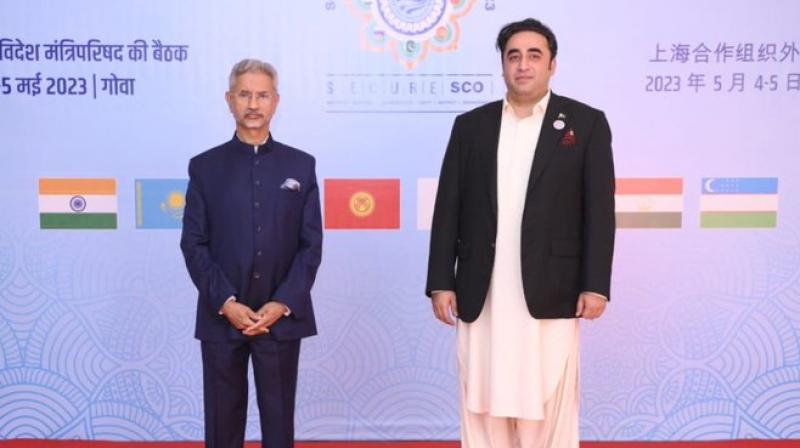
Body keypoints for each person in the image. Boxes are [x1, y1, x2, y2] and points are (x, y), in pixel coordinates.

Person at [425, 18, 615, 447]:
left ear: (552, 65)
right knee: (483, 395)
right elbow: (448, 208)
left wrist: (595, 285)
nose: (523, 65)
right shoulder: (471, 126)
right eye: (514, 56)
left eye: (534, 55)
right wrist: (441, 281)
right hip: (483, 288)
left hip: (553, 287)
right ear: (503, 65)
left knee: (547, 395)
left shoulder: (585, 124)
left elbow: (599, 213)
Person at [180, 58, 322, 448]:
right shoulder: (205, 167)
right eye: (244, 95)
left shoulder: (301, 165)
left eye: (262, 95)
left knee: (279, 426)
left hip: (281, 318)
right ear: (229, 100)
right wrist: (226, 303)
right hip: (222, 316)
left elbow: (311, 245)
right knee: (222, 426)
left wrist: (282, 303)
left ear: (276, 101)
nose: (254, 104)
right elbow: (193, 242)